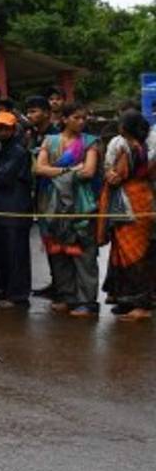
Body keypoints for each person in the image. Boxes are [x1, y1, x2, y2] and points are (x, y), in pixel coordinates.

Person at [35, 103, 101, 317]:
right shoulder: (50, 141)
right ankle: (66, 296)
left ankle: (87, 301)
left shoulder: (90, 142)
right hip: (52, 204)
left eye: (84, 118)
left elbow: (89, 172)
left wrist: (54, 172)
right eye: (76, 117)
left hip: (81, 204)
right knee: (58, 249)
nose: (81, 122)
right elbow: (38, 168)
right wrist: (69, 170)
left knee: (84, 252)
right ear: (63, 119)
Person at [97, 111, 154, 321]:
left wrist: (110, 174)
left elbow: (115, 178)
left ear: (125, 128)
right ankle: (127, 301)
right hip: (143, 199)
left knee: (132, 255)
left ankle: (141, 306)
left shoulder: (130, 149)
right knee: (132, 253)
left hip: (130, 205)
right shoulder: (146, 148)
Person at [0, 111, 34, 309]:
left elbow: (3, 176)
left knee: (16, 253)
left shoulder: (19, 151)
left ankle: (17, 294)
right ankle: (6, 290)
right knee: (3, 252)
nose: (2, 131)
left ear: (13, 129)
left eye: (6, 128)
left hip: (15, 207)